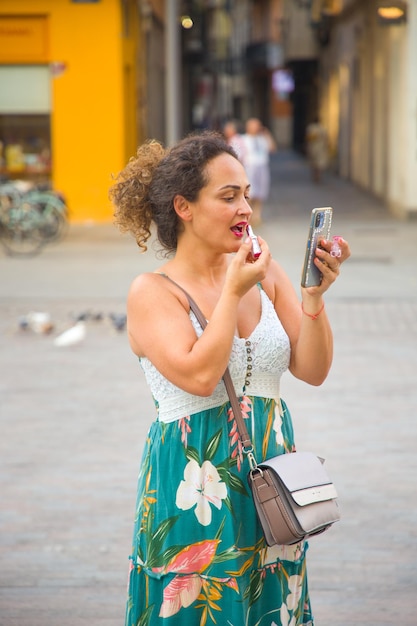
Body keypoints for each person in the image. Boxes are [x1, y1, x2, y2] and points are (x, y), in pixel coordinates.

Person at [109, 131, 350, 626]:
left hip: (270, 489)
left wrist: (313, 299)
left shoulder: (265, 272)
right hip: (193, 489)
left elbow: (314, 369)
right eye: (228, 196)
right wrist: (232, 291)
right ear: (184, 207)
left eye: (244, 193)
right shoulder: (152, 292)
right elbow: (200, 375)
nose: (245, 207)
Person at [241, 117, 277, 226]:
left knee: (261, 192)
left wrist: (267, 135)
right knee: (250, 192)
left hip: (262, 166)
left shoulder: (262, 138)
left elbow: (272, 148)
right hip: (249, 167)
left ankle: (257, 215)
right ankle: (249, 216)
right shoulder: (243, 139)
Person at [306, 118, 329, 184]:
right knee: (319, 162)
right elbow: (326, 139)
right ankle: (318, 175)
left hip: (313, 147)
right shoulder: (323, 129)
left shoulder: (311, 128)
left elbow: (308, 139)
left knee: (314, 162)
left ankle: (315, 175)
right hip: (320, 148)